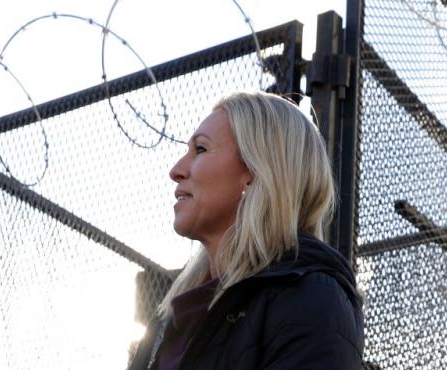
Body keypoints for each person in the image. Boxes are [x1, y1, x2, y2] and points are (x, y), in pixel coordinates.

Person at [128, 91, 364, 370]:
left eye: (200, 149)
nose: (176, 170)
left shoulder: (312, 299)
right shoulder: (168, 317)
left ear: (256, 169)